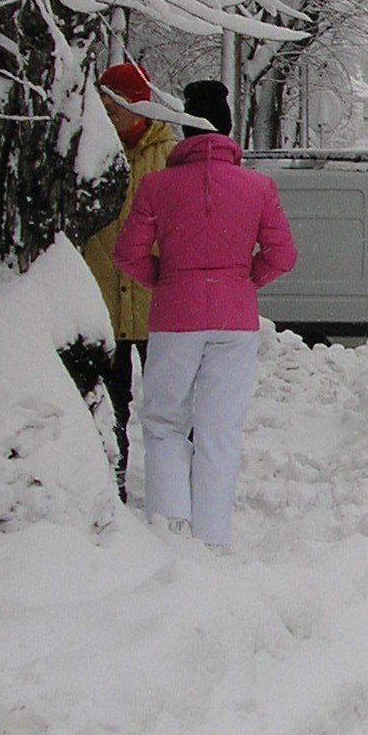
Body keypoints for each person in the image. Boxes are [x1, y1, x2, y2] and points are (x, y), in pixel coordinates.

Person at [113, 80, 296, 551]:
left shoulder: (157, 184)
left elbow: (127, 254)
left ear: (185, 126)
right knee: (219, 428)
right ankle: (213, 537)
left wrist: (170, 281)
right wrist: (240, 282)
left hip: (175, 317)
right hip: (235, 321)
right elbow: (282, 255)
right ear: (229, 128)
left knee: (165, 421)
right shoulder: (259, 186)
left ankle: (170, 528)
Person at [82, 60, 175, 499]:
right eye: (101, 104)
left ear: (138, 105)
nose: (106, 112)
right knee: (106, 406)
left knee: (169, 408)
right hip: (100, 302)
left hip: (156, 306)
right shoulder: (89, 150)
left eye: (113, 104)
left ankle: (173, 488)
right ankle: (110, 484)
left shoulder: (170, 155)